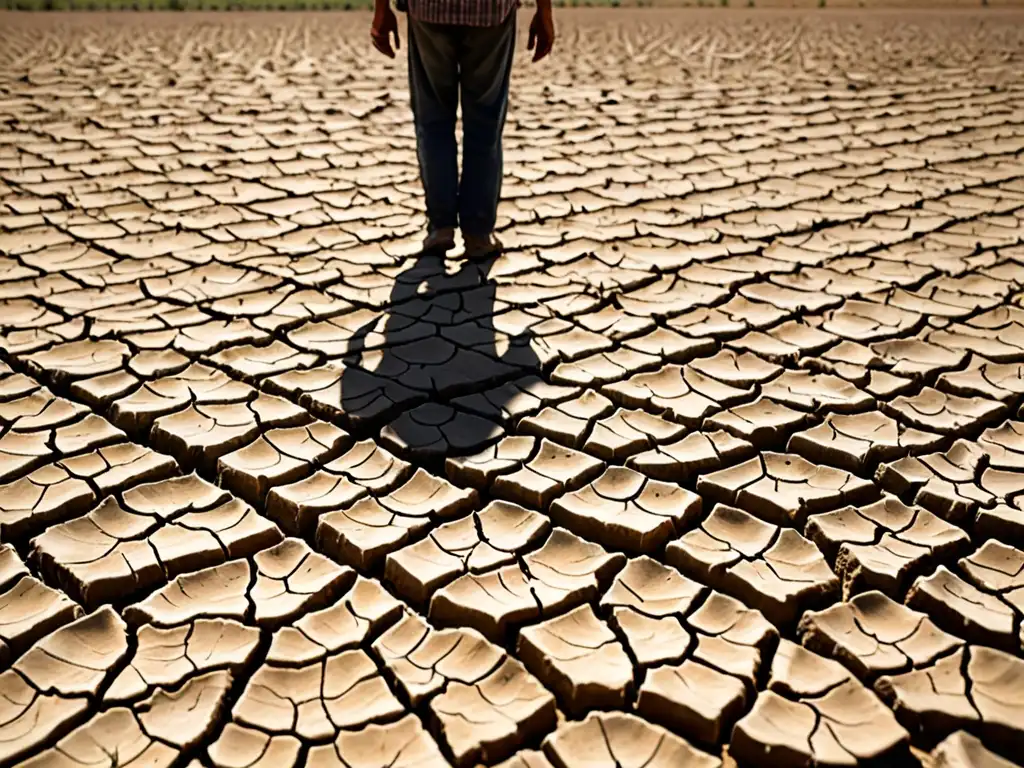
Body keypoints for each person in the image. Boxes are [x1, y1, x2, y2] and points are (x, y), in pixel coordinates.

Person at [370, 0, 555, 258]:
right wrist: (544, 11)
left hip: (428, 11)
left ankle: (441, 227)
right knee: (485, 120)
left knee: (433, 119)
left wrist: (381, 9)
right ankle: (477, 232)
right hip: (491, 12)